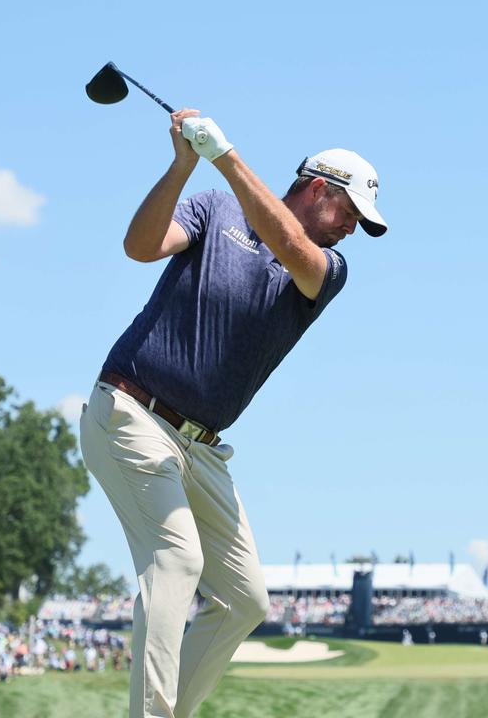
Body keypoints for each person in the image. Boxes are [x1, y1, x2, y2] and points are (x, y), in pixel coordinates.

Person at [79, 106, 387, 718]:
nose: (352, 229)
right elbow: (140, 246)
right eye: (349, 212)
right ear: (318, 189)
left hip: (202, 449)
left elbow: (293, 249)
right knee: (177, 561)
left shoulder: (327, 268)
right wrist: (182, 167)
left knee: (245, 599)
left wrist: (227, 155)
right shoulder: (216, 207)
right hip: (132, 413)